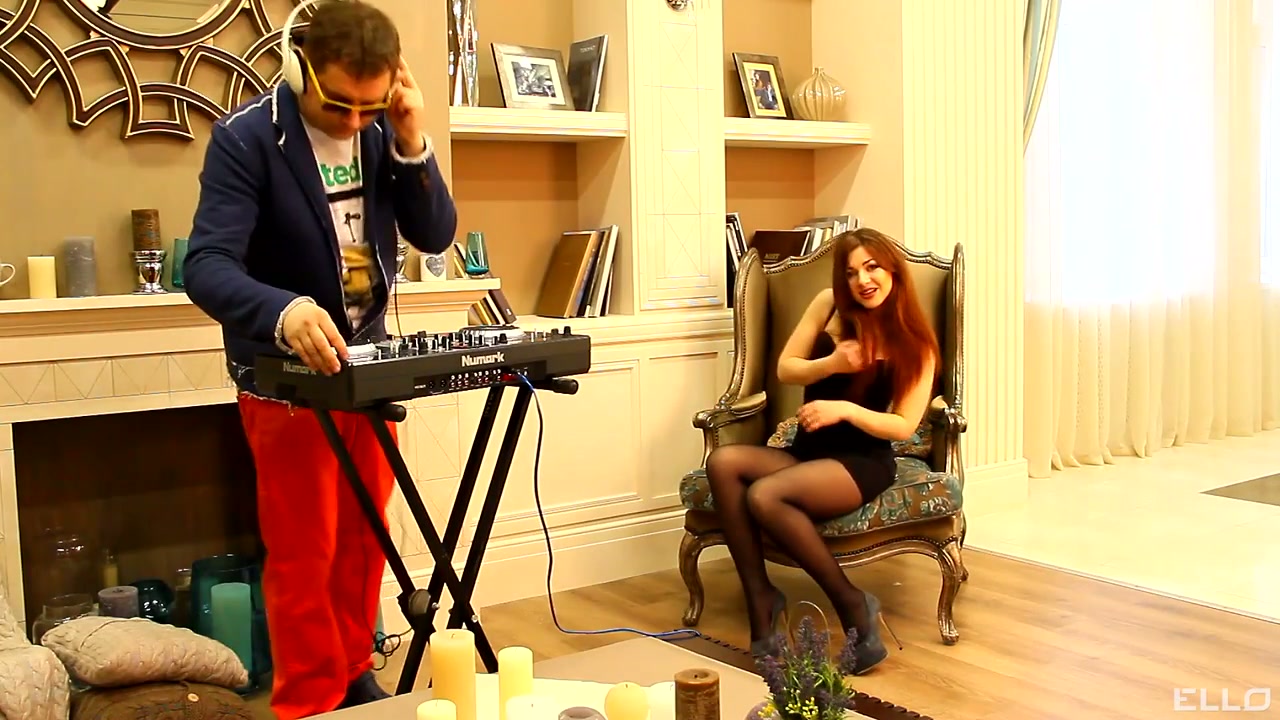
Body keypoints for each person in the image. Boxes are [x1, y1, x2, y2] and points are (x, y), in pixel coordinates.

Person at [182, 0, 457, 717]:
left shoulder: (382, 131)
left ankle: (352, 674)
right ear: (298, 67)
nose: (353, 121)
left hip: (368, 365)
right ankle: (307, 701)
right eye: (338, 104)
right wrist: (283, 309)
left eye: (371, 106)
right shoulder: (247, 139)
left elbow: (434, 233)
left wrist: (410, 137)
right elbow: (206, 265)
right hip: (288, 382)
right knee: (306, 551)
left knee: (364, 541)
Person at [704, 228, 939, 674]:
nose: (862, 280)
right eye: (851, 272)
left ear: (892, 270)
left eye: (872, 267)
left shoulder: (916, 344)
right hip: (806, 452)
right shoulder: (827, 303)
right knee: (724, 463)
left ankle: (852, 603)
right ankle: (761, 596)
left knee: (765, 496)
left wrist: (844, 409)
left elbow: (903, 424)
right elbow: (786, 369)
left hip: (860, 463)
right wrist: (832, 364)